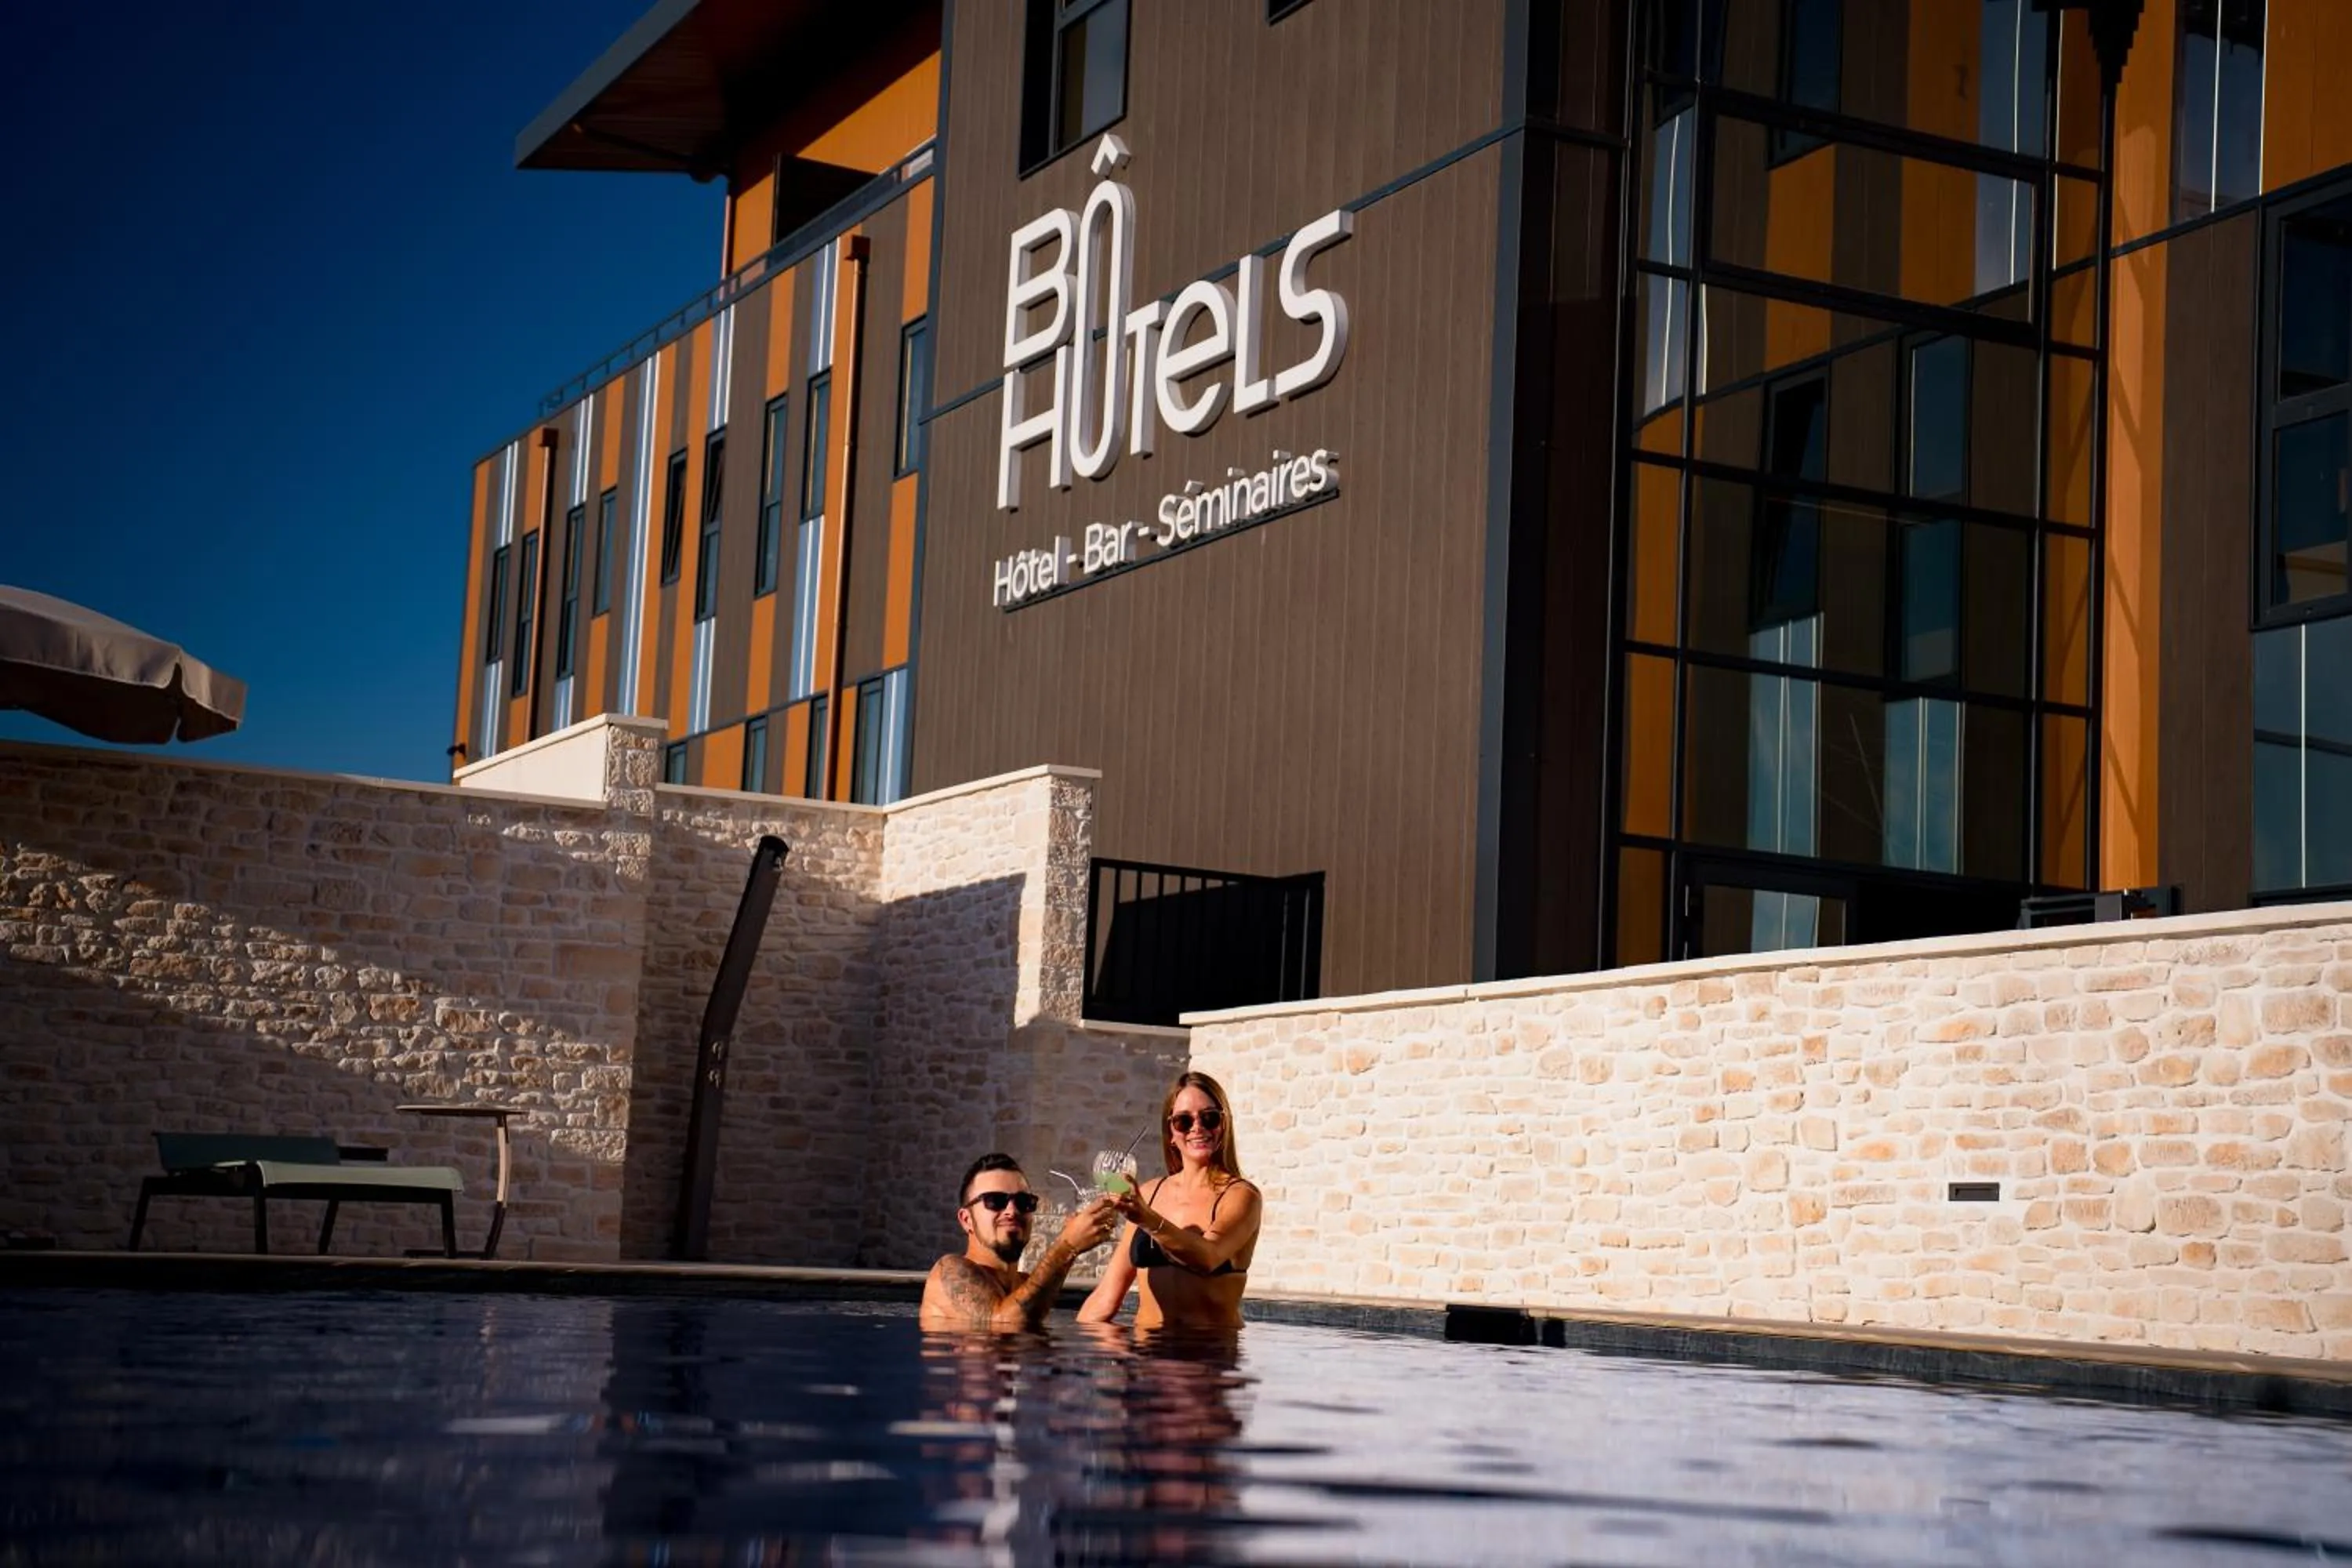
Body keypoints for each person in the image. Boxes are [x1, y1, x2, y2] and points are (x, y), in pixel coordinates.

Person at [1078, 1072, 1261, 1330]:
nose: (1197, 1128)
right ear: (1171, 1133)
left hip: (1209, 1358)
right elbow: (1106, 1298)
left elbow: (1209, 1256)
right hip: (1148, 1355)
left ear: (1224, 1124)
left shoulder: (1241, 1196)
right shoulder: (1149, 1194)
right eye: (1184, 1121)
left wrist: (1147, 1219)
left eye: (1209, 1118)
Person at [919, 1152, 1119, 1330]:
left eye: (1024, 1202)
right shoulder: (949, 1271)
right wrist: (1067, 1246)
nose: (1012, 1211)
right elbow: (1005, 1322)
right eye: (995, 1201)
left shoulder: (1025, 1285)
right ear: (966, 1220)